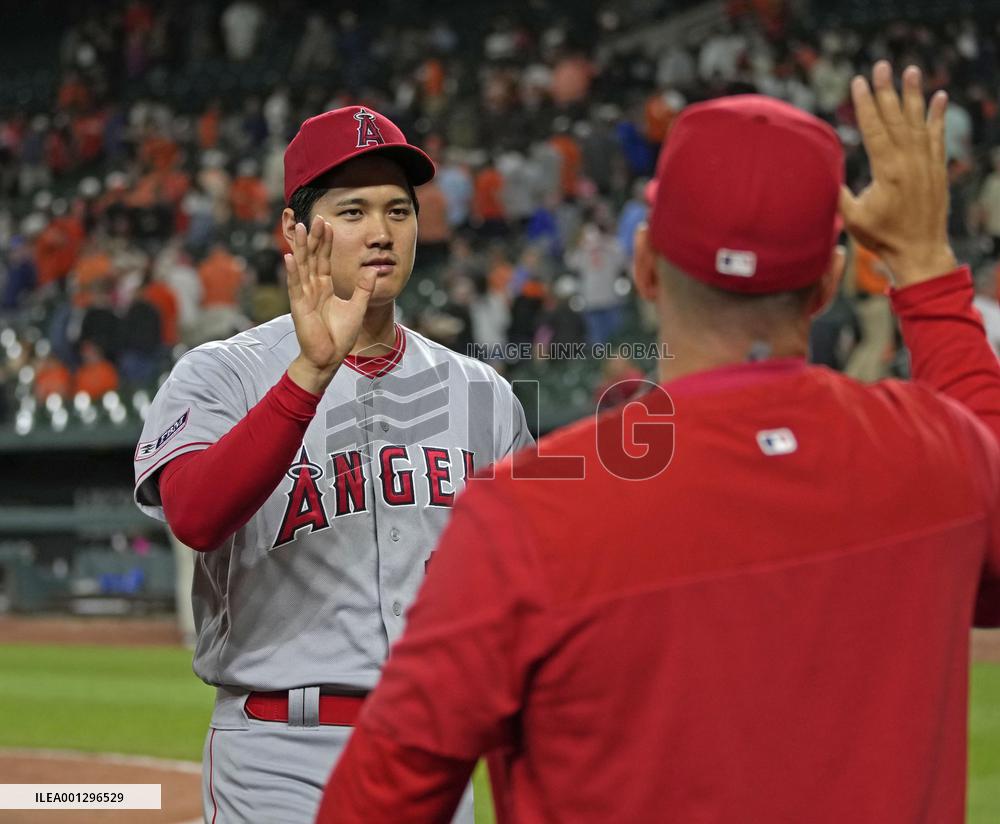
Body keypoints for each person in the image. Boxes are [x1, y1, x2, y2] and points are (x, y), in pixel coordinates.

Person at [317, 64, 1000, 823]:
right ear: (830, 281)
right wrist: (927, 268)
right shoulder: (941, 453)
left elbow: (375, 806)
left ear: (644, 266)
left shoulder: (529, 512)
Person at [133, 105, 533, 824]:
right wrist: (309, 376)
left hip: (430, 754)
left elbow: (526, 585)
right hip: (278, 748)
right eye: (352, 210)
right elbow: (194, 515)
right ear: (294, 232)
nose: (382, 232)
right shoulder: (222, 374)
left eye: (398, 211)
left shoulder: (485, 395)